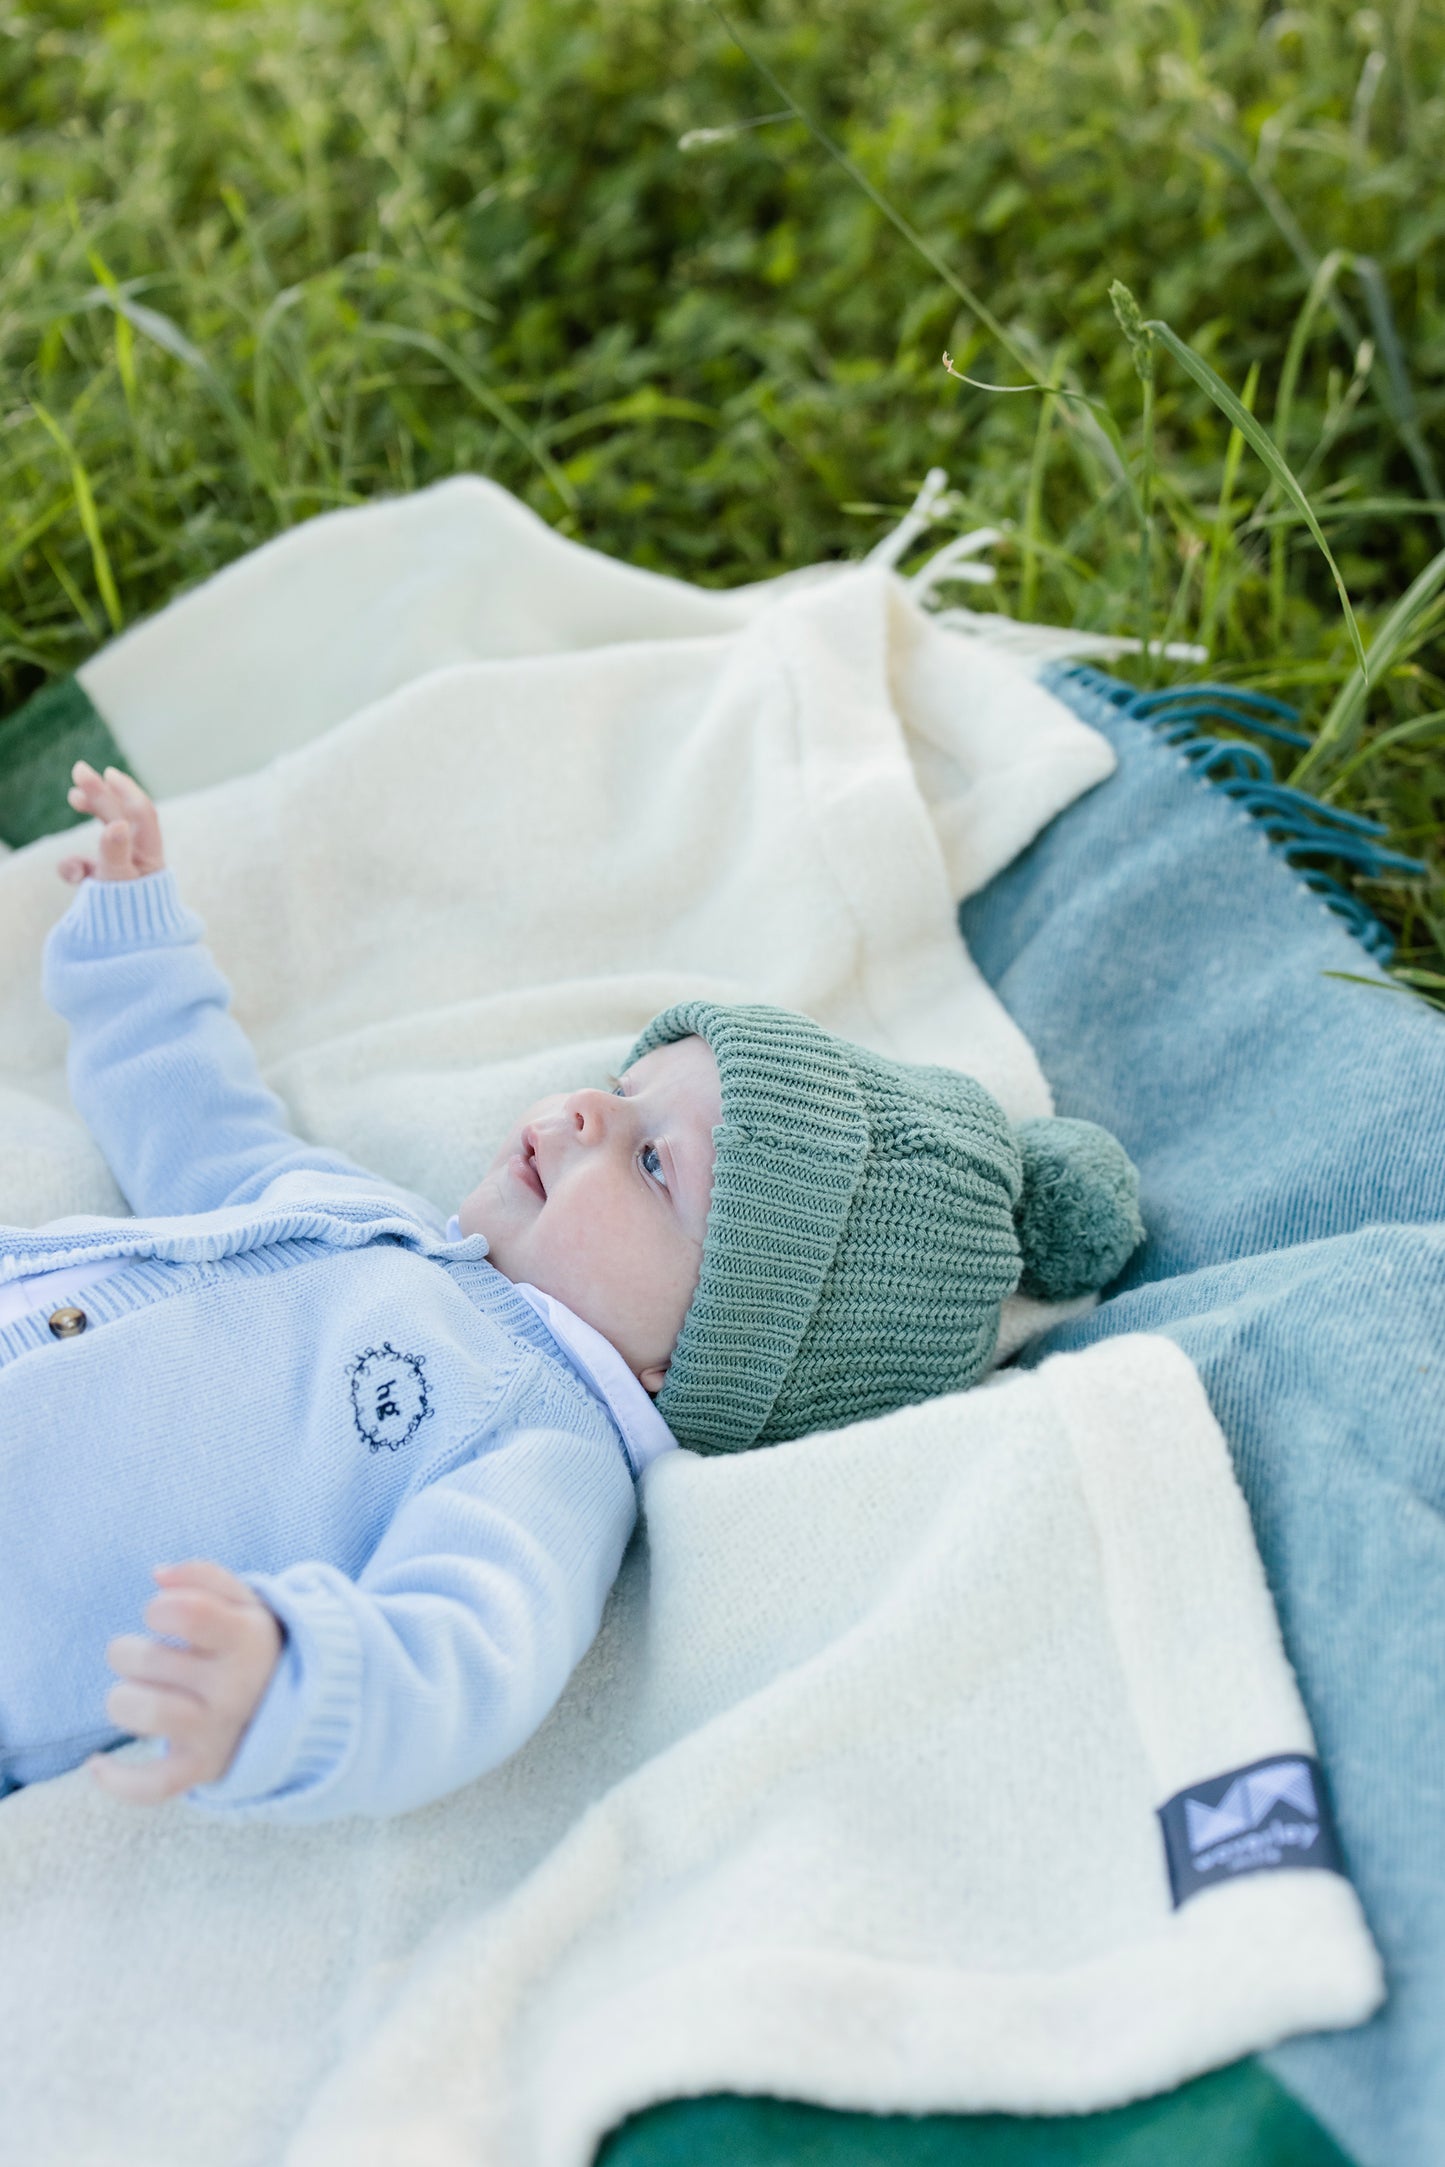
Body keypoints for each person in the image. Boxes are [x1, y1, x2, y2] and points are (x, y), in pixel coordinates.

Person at [0, 762, 1144, 1824]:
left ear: (693, 1355)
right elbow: (200, 1121)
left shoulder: (541, 1448)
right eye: (622, 1088)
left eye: (652, 1163)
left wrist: (291, 1681)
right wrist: (136, 943)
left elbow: (463, 1654)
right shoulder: (369, 1219)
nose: (591, 1114)